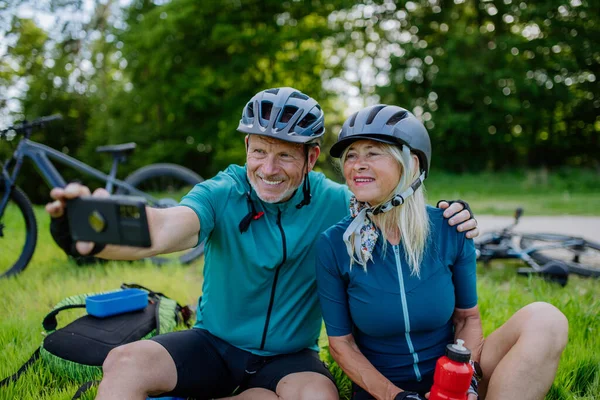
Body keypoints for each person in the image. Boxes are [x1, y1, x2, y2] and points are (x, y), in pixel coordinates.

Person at [46, 88, 479, 400]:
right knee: (125, 362)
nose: (268, 169)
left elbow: (393, 194)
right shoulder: (222, 192)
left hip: (290, 357)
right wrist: (84, 230)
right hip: (213, 345)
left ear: (311, 159)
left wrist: (452, 212)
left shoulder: (338, 203)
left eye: (285, 155)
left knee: (317, 396)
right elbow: (163, 228)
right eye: (258, 152)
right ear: (246, 149)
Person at [315, 104, 569, 400]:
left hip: (454, 375)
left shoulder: (450, 228)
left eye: (373, 152)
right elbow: (341, 344)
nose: (357, 164)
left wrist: (466, 382)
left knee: (545, 318)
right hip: (384, 392)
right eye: (351, 156)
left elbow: (467, 319)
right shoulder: (334, 244)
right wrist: (396, 396)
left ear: (412, 164)